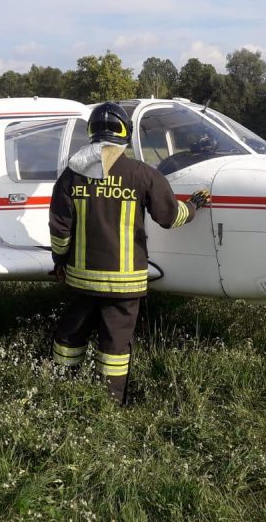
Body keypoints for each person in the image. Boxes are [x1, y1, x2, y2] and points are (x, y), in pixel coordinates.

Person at [48, 102, 211, 404]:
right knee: (115, 345)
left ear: (91, 133)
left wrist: (60, 261)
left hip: (81, 281)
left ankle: (62, 392)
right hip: (125, 284)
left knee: (70, 336)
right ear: (125, 133)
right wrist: (195, 206)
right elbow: (170, 217)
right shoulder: (142, 174)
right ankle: (109, 402)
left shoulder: (71, 176)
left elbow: (59, 229)